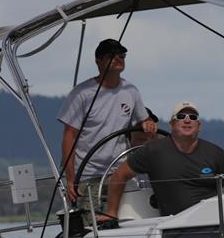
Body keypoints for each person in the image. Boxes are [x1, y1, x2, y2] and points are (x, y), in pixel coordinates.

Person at [101, 101, 224, 222]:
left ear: (199, 126)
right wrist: (111, 213)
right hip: (173, 226)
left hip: (212, 224)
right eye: (181, 116)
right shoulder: (153, 151)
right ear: (172, 124)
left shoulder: (215, 153)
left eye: (192, 117)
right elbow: (119, 175)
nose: (187, 120)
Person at [58, 39, 157, 203]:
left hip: (119, 172)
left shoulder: (131, 91)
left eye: (122, 55)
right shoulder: (81, 93)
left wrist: (147, 124)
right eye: (112, 55)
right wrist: (70, 179)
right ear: (99, 61)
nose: (119, 58)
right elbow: (69, 137)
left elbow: (143, 121)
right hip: (86, 173)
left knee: (129, 218)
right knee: (91, 226)